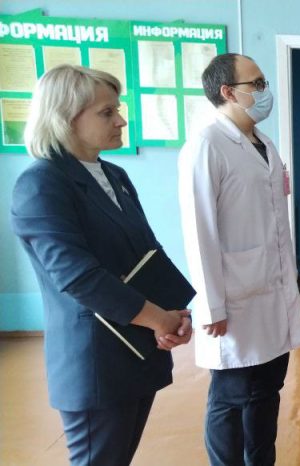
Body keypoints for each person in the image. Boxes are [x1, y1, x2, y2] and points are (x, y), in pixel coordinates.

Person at [10, 65, 192, 466]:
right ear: (65, 118)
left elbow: (147, 254)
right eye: (107, 113)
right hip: (96, 362)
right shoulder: (41, 183)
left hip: (139, 349)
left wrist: (176, 315)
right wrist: (159, 319)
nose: (121, 121)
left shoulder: (114, 174)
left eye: (118, 109)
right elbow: (79, 277)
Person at [178, 53, 300, 466]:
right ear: (228, 92)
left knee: (267, 391)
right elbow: (199, 232)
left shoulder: (264, 144)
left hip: (272, 291)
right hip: (233, 298)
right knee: (232, 398)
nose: (265, 91)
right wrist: (211, 305)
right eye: (257, 84)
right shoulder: (206, 145)